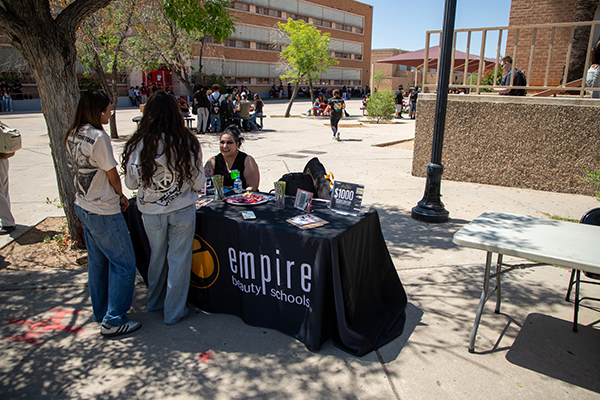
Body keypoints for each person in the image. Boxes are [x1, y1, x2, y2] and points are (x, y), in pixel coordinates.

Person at [63, 90, 140, 337]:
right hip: (103, 210)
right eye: (108, 109)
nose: (111, 113)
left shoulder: (72, 134)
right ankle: (114, 319)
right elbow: (112, 174)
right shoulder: (98, 137)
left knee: (98, 263)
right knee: (125, 263)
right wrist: (120, 196)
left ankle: (101, 311)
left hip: (83, 206)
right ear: (98, 111)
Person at [122, 92, 204, 325]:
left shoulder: (138, 144)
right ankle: (174, 311)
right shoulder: (187, 141)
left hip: (150, 211)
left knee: (157, 256)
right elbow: (198, 183)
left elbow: (130, 183)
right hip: (182, 209)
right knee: (179, 259)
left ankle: (155, 302)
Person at [204, 125, 260, 191]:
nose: (224, 146)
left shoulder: (247, 160)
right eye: (222, 142)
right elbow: (205, 186)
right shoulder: (212, 161)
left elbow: (252, 187)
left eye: (229, 143)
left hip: (243, 198)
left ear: (237, 144)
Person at [0, 137, 15, 234]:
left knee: (2, 191)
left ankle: (7, 222)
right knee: (3, 189)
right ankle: (7, 220)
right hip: (2, 156)